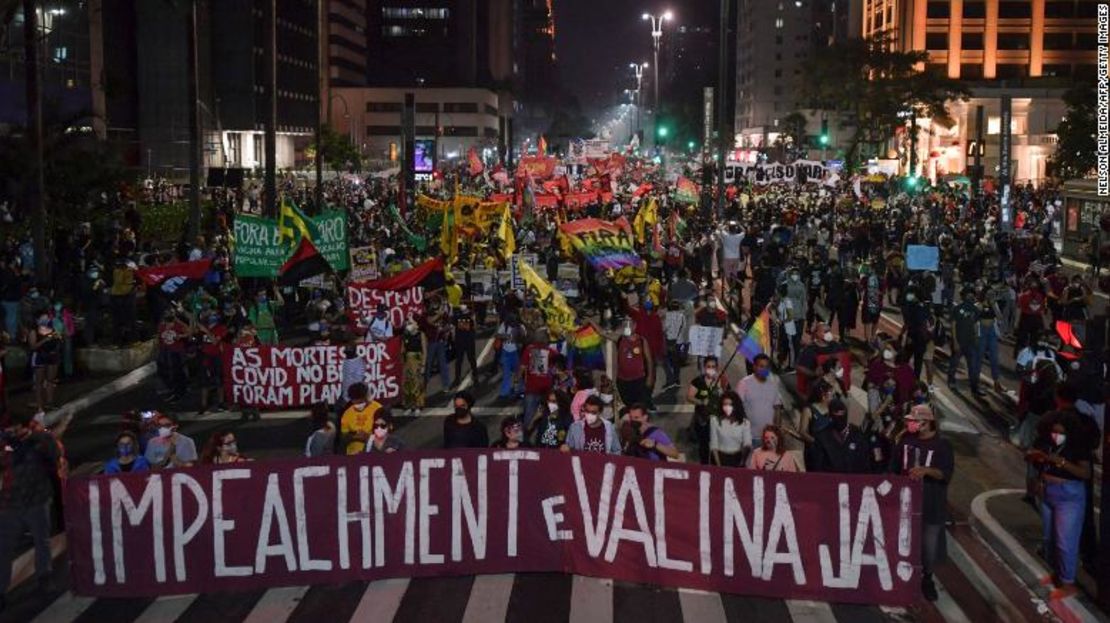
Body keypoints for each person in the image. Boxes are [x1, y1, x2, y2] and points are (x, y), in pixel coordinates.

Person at [889, 404, 954, 602]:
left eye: (915, 421)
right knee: (901, 541)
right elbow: (893, 467)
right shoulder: (905, 441)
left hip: (931, 502)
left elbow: (945, 474)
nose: (911, 424)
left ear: (927, 423)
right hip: (905, 502)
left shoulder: (942, 444)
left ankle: (927, 578)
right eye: (910, 421)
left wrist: (926, 470)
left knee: (928, 544)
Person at [1026, 410, 1092, 597]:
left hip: (1069, 496)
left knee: (1065, 542)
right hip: (1048, 491)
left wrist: (1061, 462)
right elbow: (1037, 460)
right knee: (1050, 538)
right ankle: (1057, 574)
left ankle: (1068, 583)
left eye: (1061, 433)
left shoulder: (1077, 447)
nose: (1057, 436)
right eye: (1054, 432)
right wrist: (1037, 461)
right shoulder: (1048, 443)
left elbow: (1084, 473)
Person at [0, 412, 59, 602]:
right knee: (4, 548)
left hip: (37, 502)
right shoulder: (5, 446)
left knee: (42, 542)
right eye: (10, 429)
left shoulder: (38, 442)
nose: (13, 433)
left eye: (17, 429)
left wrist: (36, 436)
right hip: (10, 505)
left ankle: (44, 577)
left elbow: (55, 452)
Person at [687, 355, 731, 464]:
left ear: (717, 368)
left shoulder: (722, 381)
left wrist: (722, 391)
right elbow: (689, 397)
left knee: (718, 446)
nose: (711, 369)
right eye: (708, 366)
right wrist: (701, 402)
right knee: (704, 446)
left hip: (719, 420)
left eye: (713, 366)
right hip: (703, 420)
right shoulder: (698, 381)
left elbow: (729, 398)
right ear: (704, 367)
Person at [809, 399, 871, 474]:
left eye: (842, 416)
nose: (840, 420)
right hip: (831, 482)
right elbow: (817, 467)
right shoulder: (822, 438)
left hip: (854, 482)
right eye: (836, 416)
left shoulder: (857, 435)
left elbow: (865, 464)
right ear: (830, 416)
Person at [736, 353, 785, 436]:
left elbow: (777, 408)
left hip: (769, 437)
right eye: (761, 366)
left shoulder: (773, 384)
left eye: (767, 367)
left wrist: (777, 430)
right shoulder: (743, 384)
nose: (764, 370)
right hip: (750, 436)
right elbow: (737, 407)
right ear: (754, 367)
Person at [613, 317, 654, 408]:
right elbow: (602, 333)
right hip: (622, 380)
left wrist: (650, 377)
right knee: (628, 403)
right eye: (624, 325)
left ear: (635, 326)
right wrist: (590, 321)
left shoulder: (642, 340)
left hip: (638, 380)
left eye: (629, 324)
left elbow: (649, 360)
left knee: (639, 404)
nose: (627, 327)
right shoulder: (619, 339)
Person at [948, 286, 981, 394]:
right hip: (959, 341)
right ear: (964, 295)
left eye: (972, 294)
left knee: (973, 367)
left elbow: (976, 325)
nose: (971, 296)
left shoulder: (975, 309)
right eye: (969, 294)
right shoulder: (957, 308)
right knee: (954, 363)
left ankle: (974, 387)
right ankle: (951, 381)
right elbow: (953, 325)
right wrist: (955, 341)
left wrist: (976, 339)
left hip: (971, 342)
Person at [27, 314, 61, 413]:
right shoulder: (34, 331)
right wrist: (45, 340)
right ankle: (39, 404)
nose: (45, 320)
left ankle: (49, 402)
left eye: (46, 318)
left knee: (51, 380)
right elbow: (33, 347)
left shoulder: (52, 329)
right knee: (39, 382)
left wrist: (56, 347)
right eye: (43, 318)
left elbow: (58, 340)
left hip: (52, 357)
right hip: (39, 357)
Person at [710, 391, 752, 467]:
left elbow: (747, 443)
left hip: (736, 458)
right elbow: (714, 446)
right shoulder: (715, 420)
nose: (727, 407)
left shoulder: (745, 423)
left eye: (730, 405)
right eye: (725, 404)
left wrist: (742, 462)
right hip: (720, 457)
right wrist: (719, 466)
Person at [340, 382, 382, 455]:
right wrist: (354, 437)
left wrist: (368, 437)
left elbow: (386, 437)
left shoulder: (378, 410)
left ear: (366, 397)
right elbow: (343, 436)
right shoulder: (347, 413)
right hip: (352, 455)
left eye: (360, 402)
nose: (358, 405)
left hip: (374, 455)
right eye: (355, 403)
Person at [401, 316, 427, 416]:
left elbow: (424, 351)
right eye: (408, 323)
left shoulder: (421, 335)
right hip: (407, 362)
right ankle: (409, 405)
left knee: (417, 383)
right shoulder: (405, 336)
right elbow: (402, 350)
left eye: (411, 323)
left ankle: (418, 405)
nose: (408, 325)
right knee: (407, 384)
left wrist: (423, 365)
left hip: (417, 361)